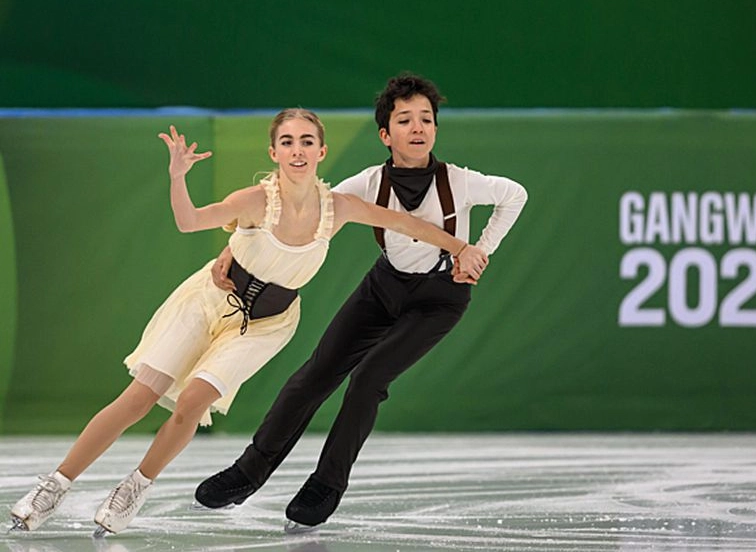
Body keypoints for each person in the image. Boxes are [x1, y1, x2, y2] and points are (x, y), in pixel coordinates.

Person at [9, 108, 485, 537]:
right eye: (287, 142)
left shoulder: (338, 207)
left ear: (321, 150)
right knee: (139, 396)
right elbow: (190, 221)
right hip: (209, 300)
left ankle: (135, 486)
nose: (297, 150)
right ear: (273, 151)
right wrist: (178, 177)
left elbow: (408, 225)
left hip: (267, 324)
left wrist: (462, 248)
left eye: (305, 141)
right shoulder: (256, 199)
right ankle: (55, 484)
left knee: (191, 402)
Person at [195, 72, 528, 532]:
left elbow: (515, 194)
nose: (418, 128)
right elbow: (298, 212)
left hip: (439, 299)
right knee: (315, 374)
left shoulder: (461, 181)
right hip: (383, 288)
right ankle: (250, 469)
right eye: (405, 119)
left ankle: (326, 484)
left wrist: (479, 252)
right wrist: (233, 249)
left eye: (426, 119)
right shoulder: (367, 183)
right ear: (385, 134)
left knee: (369, 378)